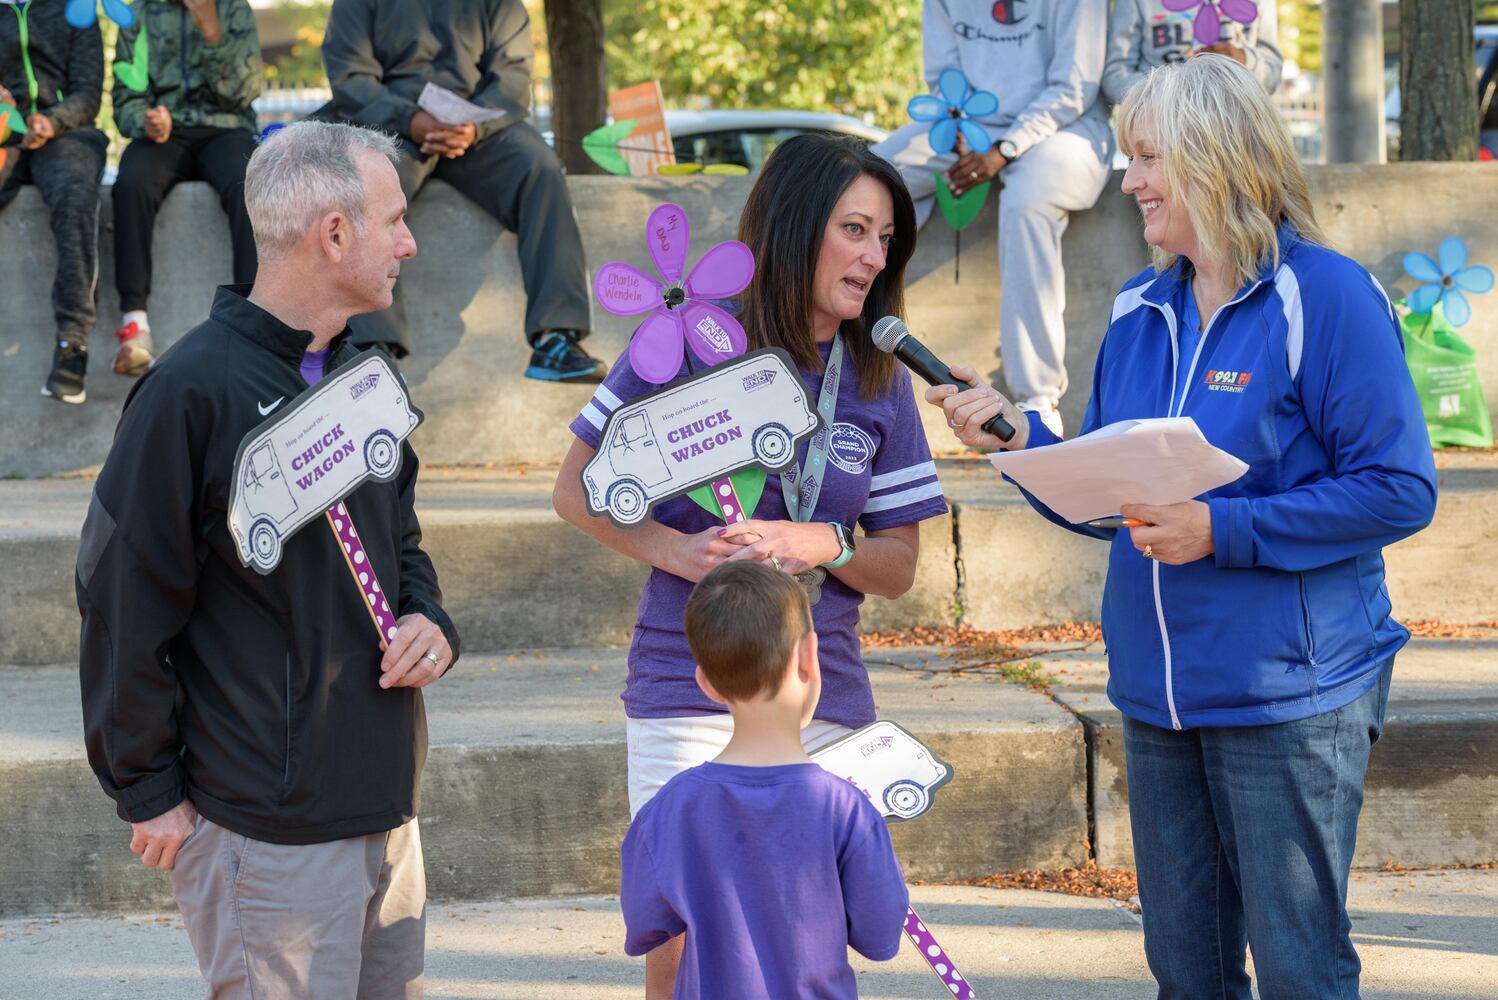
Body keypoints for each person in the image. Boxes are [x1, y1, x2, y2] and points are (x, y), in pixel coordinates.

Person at [926, 57, 1437, 999]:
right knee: (1186, 977)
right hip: (1157, 699)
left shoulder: (1324, 296)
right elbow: (1116, 503)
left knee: (1300, 974)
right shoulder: (1138, 309)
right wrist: (1022, 441)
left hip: (1289, 694)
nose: (1130, 182)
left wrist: (1221, 530)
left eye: (1148, 158)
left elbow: (1400, 489)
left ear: (1218, 159)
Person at [554, 134, 946, 995]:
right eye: (855, 229)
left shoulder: (879, 379)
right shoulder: (691, 343)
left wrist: (828, 544)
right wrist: (673, 551)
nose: (874, 257)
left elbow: (901, 563)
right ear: (797, 227)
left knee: (805, 944)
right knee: (686, 949)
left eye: (886, 239)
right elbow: (576, 487)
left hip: (822, 689)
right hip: (692, 682)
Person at [78, 121, 459, 999]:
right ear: (333, 234)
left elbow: (401, 544)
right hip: (266, 830)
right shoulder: (187, 391)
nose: (410, 240)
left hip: (385, 806)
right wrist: (146, 786)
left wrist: (428, 621)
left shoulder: (366, 377)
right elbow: (120, 596)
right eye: (393, 219)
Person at [620, 561, 909, 998]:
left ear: (706, 682)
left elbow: (645, 924)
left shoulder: (670, 806)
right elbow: (880, 934)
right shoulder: (846, 807)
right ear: (810, 657)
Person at [320, 0, 604, 382]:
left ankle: (556, 339)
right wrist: (410, 119)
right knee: (363, 183)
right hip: (390, 124)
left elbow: (513, 72)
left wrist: (475, 124)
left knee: (541, 168)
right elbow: (351, 76)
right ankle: (371, 351)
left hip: (478, 127)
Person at [873, 0, 1114, 435]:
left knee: (1026, 202)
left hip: (1066, 129)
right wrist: (963, 131)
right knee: (870, 177)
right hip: (974, 131)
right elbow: (943, 76)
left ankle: (1036, 402)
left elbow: (1074, 87)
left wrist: (1005, 149)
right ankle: (854, 342)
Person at [110, 0, 262, 377]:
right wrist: (144, 121)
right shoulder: (138, 13)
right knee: (130, 182)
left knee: (252, 182)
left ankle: (256, 318)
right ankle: (135, 324)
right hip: (165, 133)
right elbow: (125, 94)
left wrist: (211, 30)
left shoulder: (232, 9)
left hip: (225, 127)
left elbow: (244, 90)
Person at [0, 0, 106, 404]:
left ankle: (72, 344)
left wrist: (51, 120)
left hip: (66, 135)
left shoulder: (74, 10)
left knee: (74, 193)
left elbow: (88, 94)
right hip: (6, 137)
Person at [1103, 0, 1283, 104]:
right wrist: (1169, 90)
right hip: (1160, 135)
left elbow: (1272, 72)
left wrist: (1243, 60)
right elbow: (1115, 77)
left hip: (1235, 133)